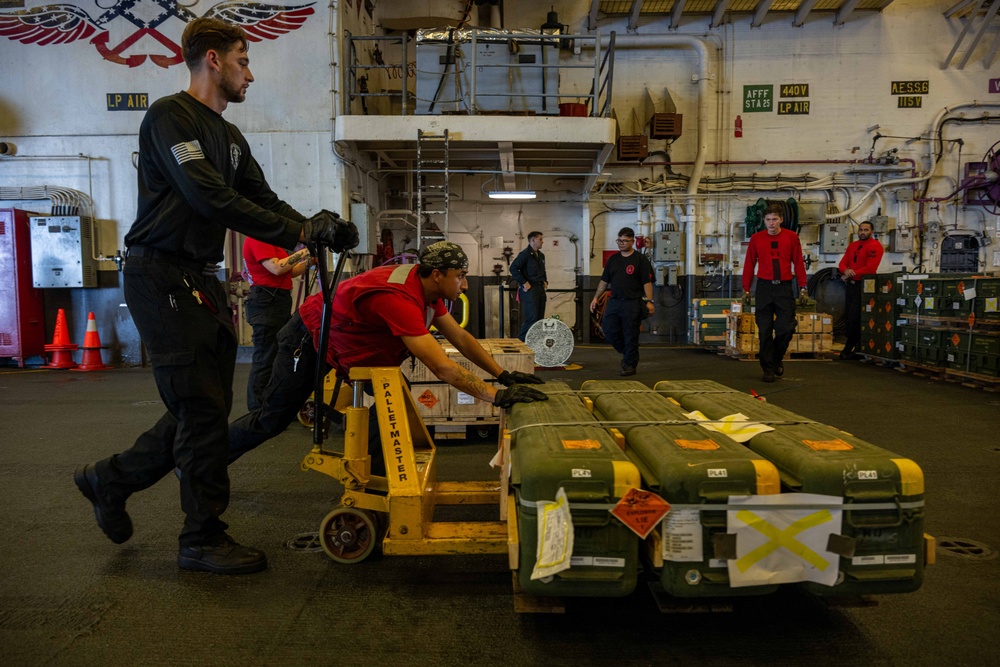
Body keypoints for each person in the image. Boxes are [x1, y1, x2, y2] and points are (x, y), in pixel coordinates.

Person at [72, 17, 358, 576]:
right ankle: (200, 537)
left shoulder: (230, 137)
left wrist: (317, 224)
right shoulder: (169, 117)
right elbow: (206, 196)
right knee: (201, 408)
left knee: (201, 405)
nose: (250, 73)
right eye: (243, 60)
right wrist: (300, 233)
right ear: (212, 60)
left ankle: (110, 479)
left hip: (198, 280)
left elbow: (263, 199)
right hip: (159, 275)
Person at [227, 241, 549, 471]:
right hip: (310, 336)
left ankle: (379, 475)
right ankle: (207, 460)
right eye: (460, 276)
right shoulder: (399, 299)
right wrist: (497, 396)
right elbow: (441, 366)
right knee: (271, 419)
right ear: (437, 274)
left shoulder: (427, 288)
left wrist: (502, 374)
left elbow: (461, 338)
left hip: (352, 340)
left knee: (391, 398)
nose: (464, 285)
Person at [243, 238, 313, 410]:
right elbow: (276, 268)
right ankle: (257, 408)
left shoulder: (272, 244)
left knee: (277, 354)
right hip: (266, 301)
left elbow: (289, 271)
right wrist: (305, 251)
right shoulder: (258, 239)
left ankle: (271, 403)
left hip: (277, 300)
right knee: (266, 356)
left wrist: (309, 262)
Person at [741, 203, 808, 382]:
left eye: (775, 220)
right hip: (764, 288)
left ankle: (776, 358)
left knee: (786, 328)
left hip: (784, 287)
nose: (771, 223)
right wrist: (746, 288)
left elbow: (799, 263)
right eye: (768, 220)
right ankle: (768, 368)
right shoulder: (756, 238)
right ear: (764, 220)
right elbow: (749, 264)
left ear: (781, 220)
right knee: (764, 331)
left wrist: (803, 287)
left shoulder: (791, 237)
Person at [589, 227, 654, 376]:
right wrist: (595, 297)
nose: (621, 243)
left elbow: (647, 283)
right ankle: (628, 352)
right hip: (615, 302)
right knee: (609, 331)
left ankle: (630, 364)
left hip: (632, 303)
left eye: (625, 241)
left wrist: (649, 301)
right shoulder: (613, 259)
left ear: (632, 241)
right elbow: (604, 281)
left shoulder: (640, 260)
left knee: (630, 334)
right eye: (619, 240)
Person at [838, 220, 884, 360]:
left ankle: (851, 347)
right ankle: (855, 347)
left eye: (866, 230)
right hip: (851, 286)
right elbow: (842, 262)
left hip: (864, 286)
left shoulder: (875, 246)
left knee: (856, 317)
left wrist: (850, 273)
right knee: (849, 316)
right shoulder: (853, 246)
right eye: (861, 230)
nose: (862, 232)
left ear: (872, 232)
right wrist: (845, 270)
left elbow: (870, 268)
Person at [509, 231, 548, 341]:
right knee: (531, 318)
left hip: (540, 289)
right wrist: (523, 282)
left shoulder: (541, 255)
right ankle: (520, 342)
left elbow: (543, 270)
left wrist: (545, 280)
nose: (542, 242)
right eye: (540, 239)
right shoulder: (525, 254)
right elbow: (513, 268)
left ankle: (535, 343)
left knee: (539, 320)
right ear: (533, 240)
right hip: (530, 291)